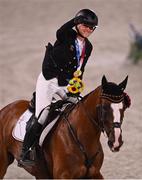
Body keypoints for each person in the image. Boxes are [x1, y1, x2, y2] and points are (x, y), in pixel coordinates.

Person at [19, 8, 98, 164]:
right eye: (85, 25)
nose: (88, 30)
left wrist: (76, 88)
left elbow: (80, 69)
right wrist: (74, 21)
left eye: (92, 28)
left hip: (66, 84)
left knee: (80, 108)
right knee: (42, 115)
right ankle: (26, 151)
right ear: (77, 23)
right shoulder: (66, 35)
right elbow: (60, 30)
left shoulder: (88, 47)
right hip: (49, 81)